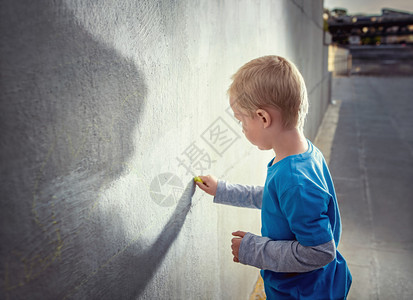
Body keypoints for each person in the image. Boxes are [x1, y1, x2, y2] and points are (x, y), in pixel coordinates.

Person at [195, 55, 352, 299]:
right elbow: (275, 200)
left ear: (263, 118)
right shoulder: (302, 155)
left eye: (241, 121)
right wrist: (222, 190)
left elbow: (320, 252)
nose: (242, 128)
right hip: (302, 286)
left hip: (302, 292)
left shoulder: (295, 180)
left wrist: (253, 250)